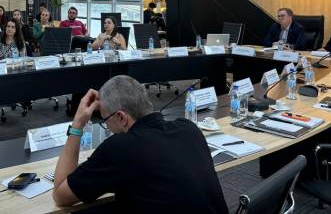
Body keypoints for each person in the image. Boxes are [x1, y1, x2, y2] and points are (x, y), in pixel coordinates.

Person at [52, 75, 228, 213]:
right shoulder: (189, 128)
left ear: (121, 117)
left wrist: (77, 123)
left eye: (105, 121)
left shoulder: (119, 148)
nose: (107, 127)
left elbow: (60, 195)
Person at [0, 20, 26, 126]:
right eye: (8, 26)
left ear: (16, 30)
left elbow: (23, 60)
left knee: (6, 84)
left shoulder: (20, 42)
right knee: (4, 85)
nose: (10, 29)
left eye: (13, 27)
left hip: (14, 72)